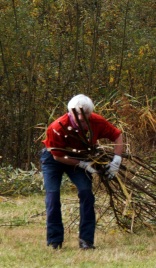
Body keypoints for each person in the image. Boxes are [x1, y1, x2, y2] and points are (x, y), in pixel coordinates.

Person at [41, 94, 124, 249]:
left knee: (87, 195)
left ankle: (86, 241)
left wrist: (116, 161)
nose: (80, 117)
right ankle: (55, 241)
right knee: (53, 198)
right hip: (54, 160)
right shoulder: (57, 127)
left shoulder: (96, 122)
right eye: (77, 113)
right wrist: (84, 165)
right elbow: (58, 157)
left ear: (90, 113)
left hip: (81, 160)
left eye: (85, 113)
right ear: (69, 112)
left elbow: (117, 135)